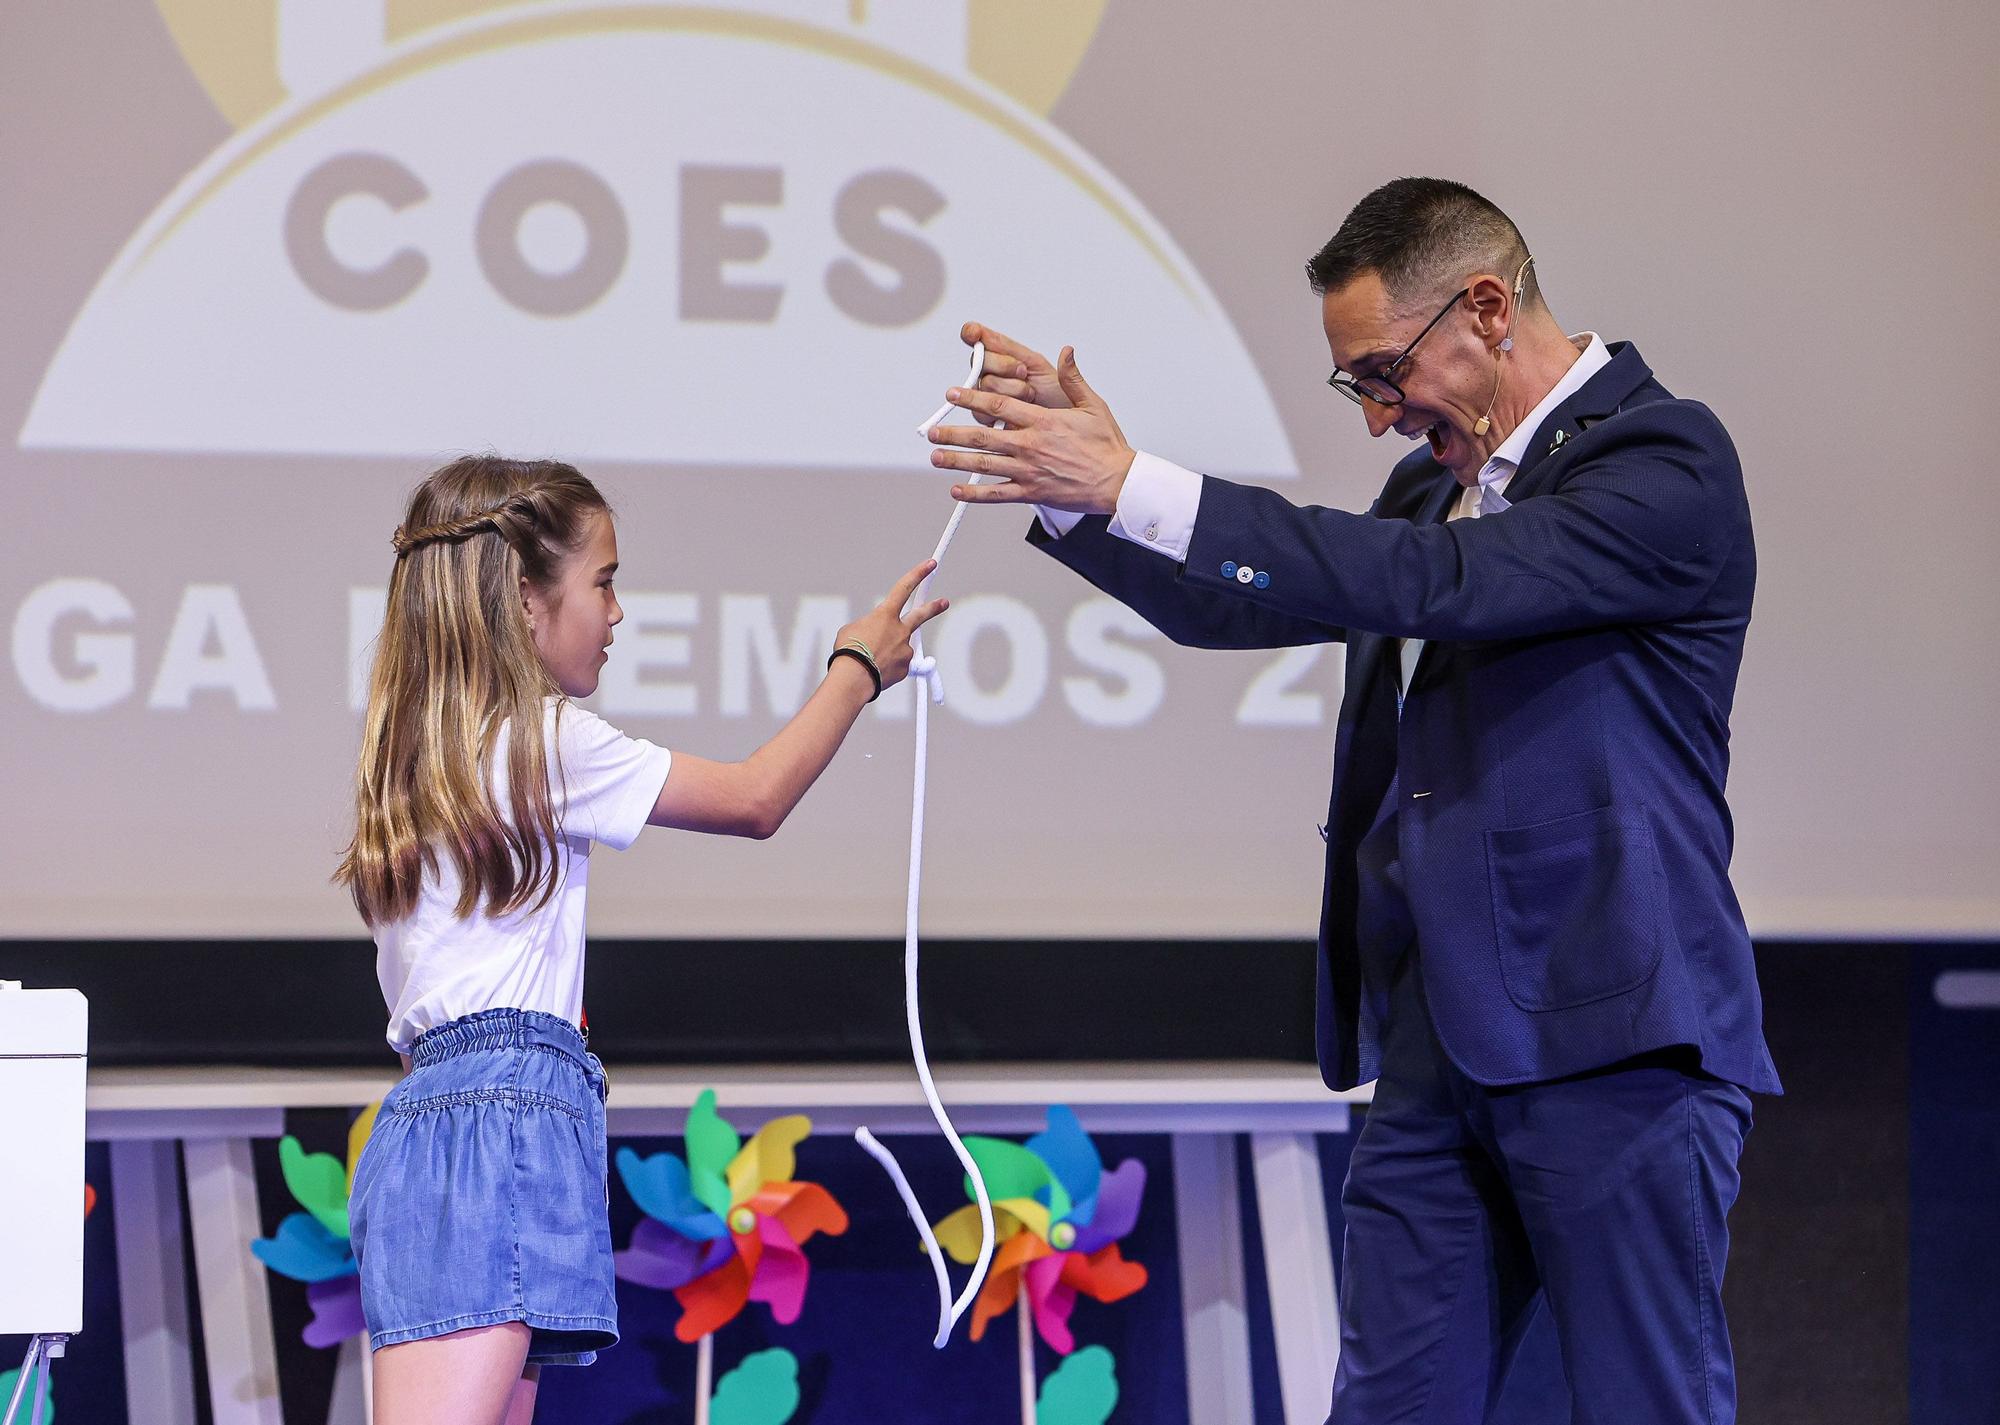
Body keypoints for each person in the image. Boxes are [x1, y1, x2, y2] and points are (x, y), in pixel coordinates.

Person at [925, 177, 1781, 1424]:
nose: (1379, 418)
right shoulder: (1433, 489)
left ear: (1484, 308)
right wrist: (1079, 493)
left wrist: (1143, 479)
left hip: (1619, 1036)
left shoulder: (1662, 460)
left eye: (1383, 374)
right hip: (1440, 1043)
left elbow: (1441, 585)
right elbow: (1248, 602)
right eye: (1356, 388)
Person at [335, 455, 946, 1425]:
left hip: (460, 1119)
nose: (616, 613)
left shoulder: (427, 749)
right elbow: (754, 799)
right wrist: (858, 667)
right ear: (526, 601)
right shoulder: (537, 738)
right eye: (603, 581)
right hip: (500, 1123)